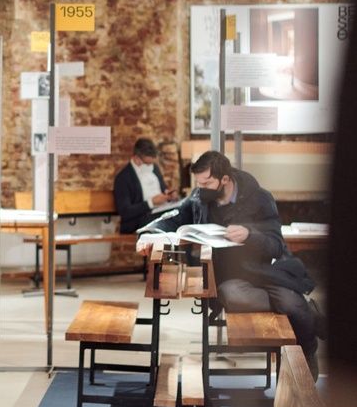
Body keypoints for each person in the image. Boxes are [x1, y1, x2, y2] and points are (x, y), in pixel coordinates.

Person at [137, 149, 321, 376]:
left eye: (207, 183)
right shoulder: (199, 197)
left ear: (225, 179)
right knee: (234, 296)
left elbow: (275, 245)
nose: (201, 188)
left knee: (291, 304)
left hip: (267, 270)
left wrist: (250, 235)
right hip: (231, 275)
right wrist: (148, 236)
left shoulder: (259, 198)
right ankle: (306, 312)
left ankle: (307, 349)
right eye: (198, 183)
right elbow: (172, 218)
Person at [113, 137, 175, 234]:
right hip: (137, 222)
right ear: (136, 158)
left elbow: (163, 189)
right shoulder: (123, 178)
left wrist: (168, 196)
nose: (150, 166)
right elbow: (125, 212)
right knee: (165, 223)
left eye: (152, 163)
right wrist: (151, 203)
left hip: (158, 213)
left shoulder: (154, 168)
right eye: (147, 164)